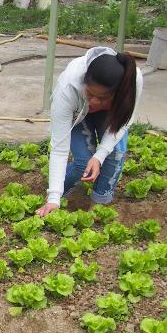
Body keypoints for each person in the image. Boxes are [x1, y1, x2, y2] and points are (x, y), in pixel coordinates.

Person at [37, 46, 143, 217]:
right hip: (78, 114)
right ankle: (58, 196)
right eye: (89, 93)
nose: (93, 101)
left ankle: (99, 203)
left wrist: (99, 156)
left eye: (101, 97)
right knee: (82, 162)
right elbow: (59, 148)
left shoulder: (132, 81)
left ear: (118, 94)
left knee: (115, 154)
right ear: (84, 82)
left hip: (110, 113)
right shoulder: (67, 89)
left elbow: (123, 122)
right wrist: (54, 198)